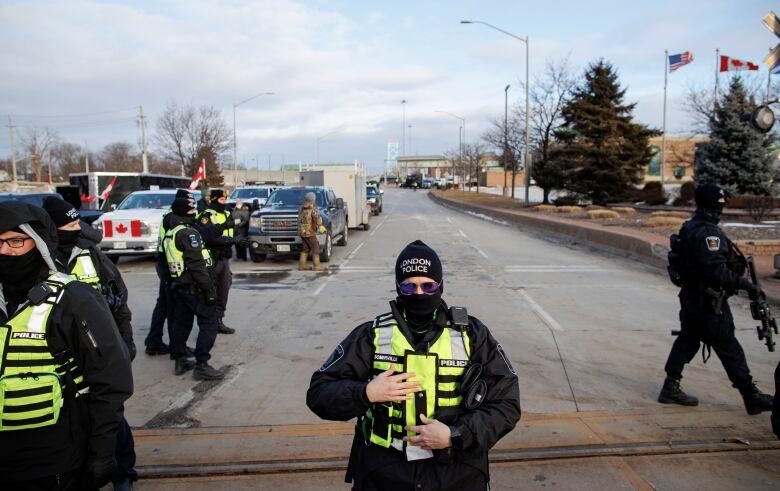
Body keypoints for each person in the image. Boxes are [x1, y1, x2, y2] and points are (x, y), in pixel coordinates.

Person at [307, 240, 521, 490]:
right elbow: (319, 392)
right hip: (384, 475)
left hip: (458, 474)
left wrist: (456, 435)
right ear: (398, 287)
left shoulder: (473, 335)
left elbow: (507, 404)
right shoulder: (372, 336)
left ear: (441, 285)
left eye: (428, 285)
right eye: (409, 286)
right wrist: (365, 393)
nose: (419, 294)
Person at [0, 202, 133, 490]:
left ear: (38, 242)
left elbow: (110, 381)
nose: (5, 251)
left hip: (55, 459)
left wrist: (102, 452)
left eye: (15, 241)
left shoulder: (73, 298)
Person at [42, 197, 139, 490]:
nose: (77, 229)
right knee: (72, 419)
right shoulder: (39, 261)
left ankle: (124, 473)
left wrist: (125, 342)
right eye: (69, 225)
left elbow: (118, 298)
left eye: (77, 223)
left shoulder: (90, 253)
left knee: (111, 414)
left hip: (100, 351)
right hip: (61, 356)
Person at [659, 183, 773, 415]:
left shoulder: (693, 226)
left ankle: (670, 386)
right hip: (709, 302)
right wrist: (746, 285)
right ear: (712, 205)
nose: (722, 208)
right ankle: (751, 396)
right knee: (728, 346)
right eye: (720, 204)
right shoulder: (708, 233)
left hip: (693, 298)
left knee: (688, 340)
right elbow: (715, 271)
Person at [164, 198, 224, 380]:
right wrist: (209, 290)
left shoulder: (171, 232)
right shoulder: (188, 233)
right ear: (186, 213)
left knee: (181, 323)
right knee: (209, 323)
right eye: (191, 211)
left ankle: (180, 359)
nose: (194, 214)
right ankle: (202, 365)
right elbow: (196, 264)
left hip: (180, 285)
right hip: (195, 286)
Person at [146, 189, 193, 355]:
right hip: (169, 264)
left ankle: (154, 341)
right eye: (190, 202)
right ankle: (176, 347)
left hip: (164, 262)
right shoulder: (173, 217)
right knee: (173, 308)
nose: (192, 206)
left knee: (164, 305)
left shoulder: (169, 214)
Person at [197, 189, 248, 334]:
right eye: (221, 200)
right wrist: (231, 240)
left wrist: (239, 238)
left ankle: (219, 321)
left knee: (223, 290)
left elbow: (233, 231)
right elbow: (207, 237)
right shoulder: (206, 215)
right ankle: (208, 325)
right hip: (211, 258)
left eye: (225, 200)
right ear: (213, 199)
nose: (224, 202)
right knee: (209, 293)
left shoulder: (226, 214)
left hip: (224, 258)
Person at [298, 191, 326, 272]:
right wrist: (320, 225)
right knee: (316, 246)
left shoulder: (301, 207)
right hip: (309, 232)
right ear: (313, 200)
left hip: (302, 232)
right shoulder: (312, 208)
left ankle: (302, 265)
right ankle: (317, 266)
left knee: (305, 248)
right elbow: (317, 218)